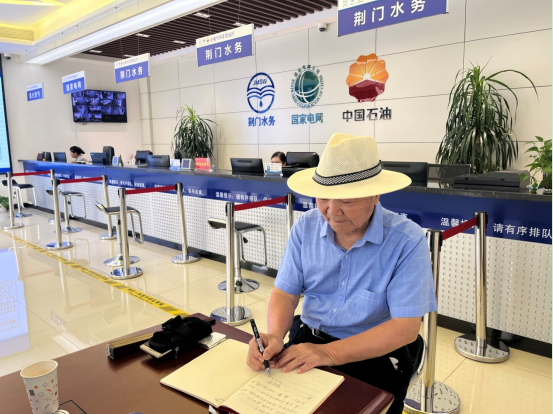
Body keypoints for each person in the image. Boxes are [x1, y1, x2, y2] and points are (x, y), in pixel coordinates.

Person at [247, 133, 437, 414]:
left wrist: (329, 353)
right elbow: (285, 294)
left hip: (374, 353)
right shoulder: (305, 228)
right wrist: (275, 335)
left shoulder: (406, 240)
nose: (332, 211)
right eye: (323, 197)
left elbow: (404, 328)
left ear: (375, 195)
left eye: (346, 200)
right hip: (310, 340)